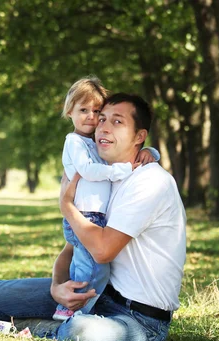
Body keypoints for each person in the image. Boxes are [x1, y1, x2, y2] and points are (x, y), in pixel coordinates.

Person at [0, 92, 186, 341]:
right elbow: (73, 248)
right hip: (96, 294)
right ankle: (23, 322)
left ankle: (25, 327)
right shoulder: (102, 178)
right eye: (101, 119)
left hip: (139, 319)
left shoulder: (150, 182)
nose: (103, 126)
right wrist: (57, 288)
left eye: (117, 122)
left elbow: (102, 251)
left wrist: (68, 207)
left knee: (78, 331)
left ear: (139, 136)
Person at [53, 76, 159, 321]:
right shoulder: (75, 142)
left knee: (89, 265)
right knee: (91, 268)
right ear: (69, 112)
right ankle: (72, 311)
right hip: (85, 215)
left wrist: (148, 152)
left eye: (97, 112)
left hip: (91, 215)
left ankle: (73, 315)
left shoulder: (95, 145)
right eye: (84, 111)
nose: (93, 118)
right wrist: (122, 170)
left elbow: (117, 153)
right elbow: (89, 171)